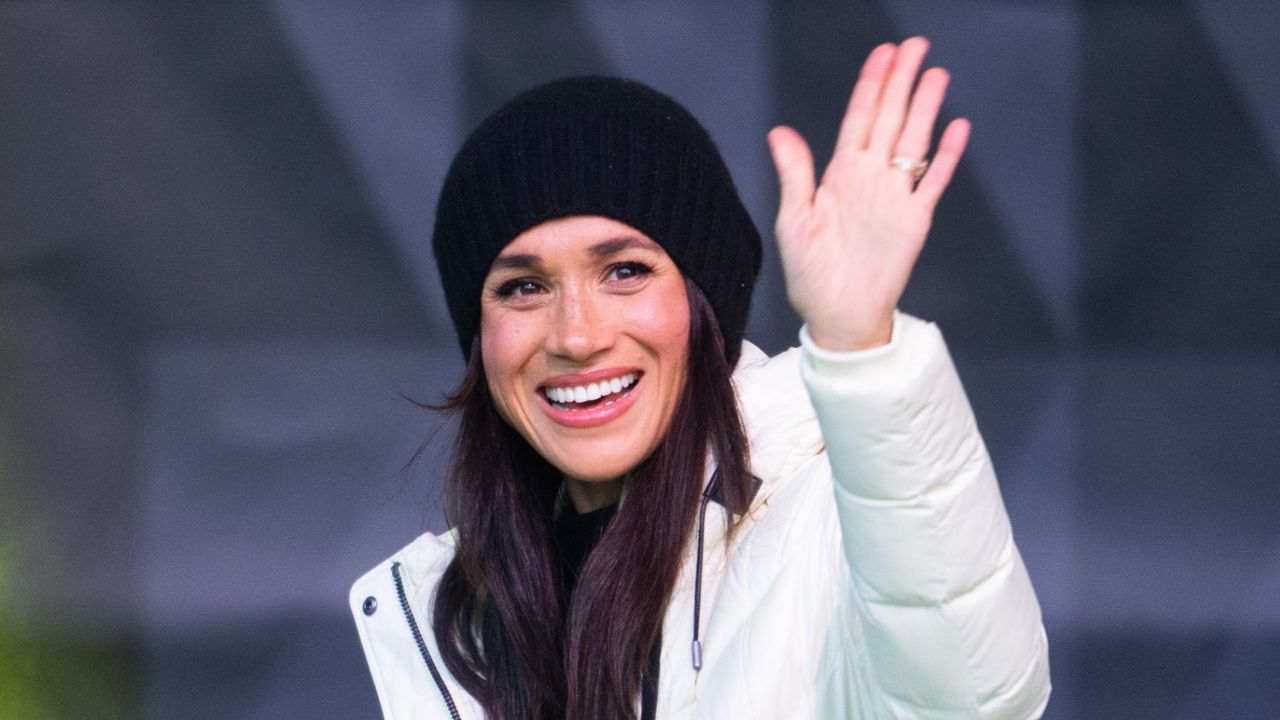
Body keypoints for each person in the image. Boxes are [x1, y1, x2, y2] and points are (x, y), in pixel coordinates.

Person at [350, 38, 1050, 719]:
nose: (577, 336)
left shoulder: (824, 525)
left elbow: (972, 694)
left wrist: (860, 348)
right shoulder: (463, 609)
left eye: (625, 271)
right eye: (524, 287)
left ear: (703, 304)